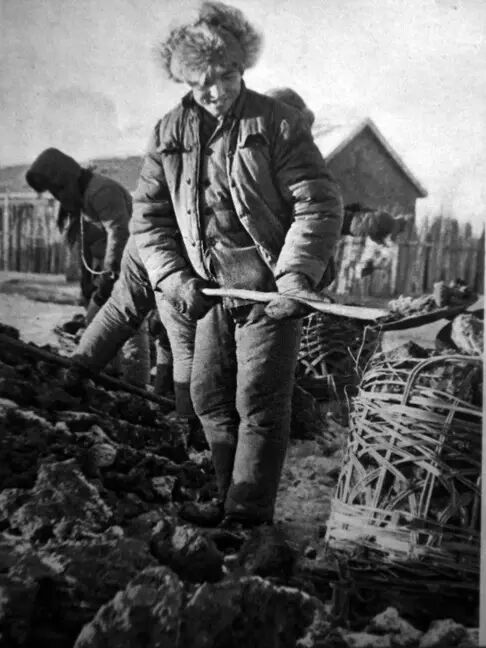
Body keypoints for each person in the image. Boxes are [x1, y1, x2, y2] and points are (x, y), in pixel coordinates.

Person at [130, 1, 344, 529]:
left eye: (226, 76)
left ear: (241, 68)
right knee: (207, 396)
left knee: (260, 403)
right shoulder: (168, 133)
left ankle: (248, 521)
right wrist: (175, 278)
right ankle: (228, 500)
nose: (216, 90)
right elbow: (149, 219)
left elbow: (317, 202)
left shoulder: (275, 122)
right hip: (210, 294)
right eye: (203, 82)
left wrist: (295, 277)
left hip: (269, 292)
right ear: (185, 80)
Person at [25, 148, 150, 386]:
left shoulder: (102, 191)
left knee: (131, 327)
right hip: (111, 268)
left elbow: (119, 233)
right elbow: (91, 244)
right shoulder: (84, 198)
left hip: (131, 265)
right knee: (103, 326)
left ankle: (135, 386)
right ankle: (112, 379)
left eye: (59, 190)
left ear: (66, 180)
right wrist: (92, 284)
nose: (59, 197)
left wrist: (109, 276)